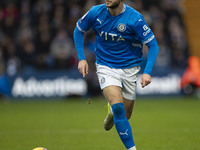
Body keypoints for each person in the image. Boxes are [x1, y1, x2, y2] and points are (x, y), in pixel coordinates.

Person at [73, 0, 159, 149]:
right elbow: (78, 30)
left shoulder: (135, 19)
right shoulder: (95, 12)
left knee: (126, 115)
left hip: (130, 69)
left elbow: (153, 45)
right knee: (119, 108)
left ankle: (112, 111)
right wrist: (81, 58)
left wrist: (147, 72)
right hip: (106, 66)